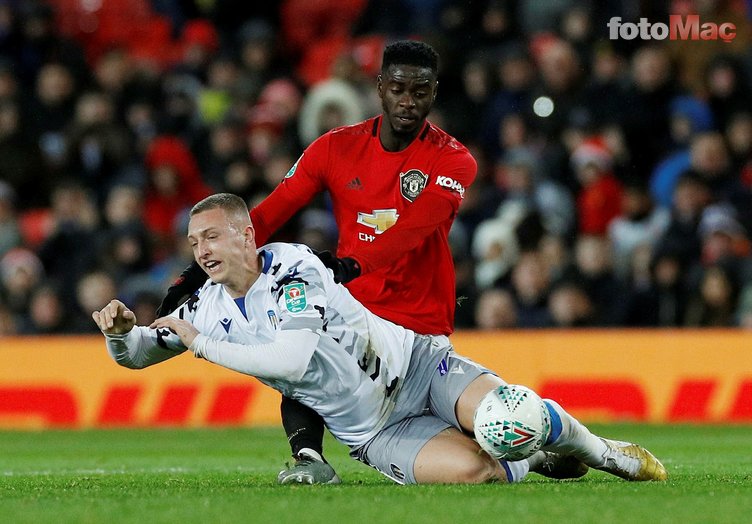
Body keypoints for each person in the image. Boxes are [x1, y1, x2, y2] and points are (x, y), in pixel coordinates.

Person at [94, 194, 668, 485]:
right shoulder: (205, 306)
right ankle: (535, 456)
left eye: (213, 237)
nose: (202, 252)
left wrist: (196, 341)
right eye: (194, 243)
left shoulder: (292, 267)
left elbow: (291, 359)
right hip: (373, 429)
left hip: (417, 366)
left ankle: (605, 454)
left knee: (503, 414)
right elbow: (139, 354)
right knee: (482, 472)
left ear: (246, 233)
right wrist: (121, 337)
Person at [156, 41, 480, 483]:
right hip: (359, 307)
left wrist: (350, 264)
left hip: (420, 315)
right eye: (398, 88)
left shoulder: (453, 159)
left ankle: (531, 453)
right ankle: (309, 458)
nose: (407, 101)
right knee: (303, 359)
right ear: (380, 86)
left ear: (434, 93)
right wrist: (192, 276)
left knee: (467, 427)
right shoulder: (334, 149)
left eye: (419, 91)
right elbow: (268, 215)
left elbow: (414, 229)